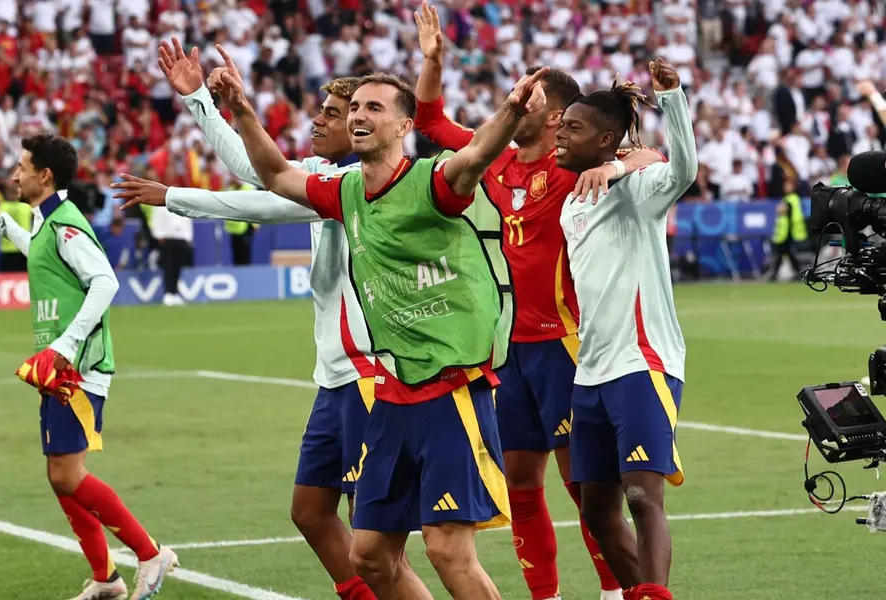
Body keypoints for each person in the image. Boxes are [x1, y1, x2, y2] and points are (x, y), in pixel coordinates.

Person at [212, 38, 547, 596]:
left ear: (403, 125)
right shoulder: (344, 190)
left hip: (450, 389)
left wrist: (511, 110)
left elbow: (475, 157)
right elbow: (274, 175)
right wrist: (240, 109)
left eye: (375, 108)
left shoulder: (434, 182)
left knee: (446, 548)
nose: (361, 116)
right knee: (369, 555)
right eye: (357, 107)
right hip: (390, 394)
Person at [112, 38, 381, 600]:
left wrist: (174, 196)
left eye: (333, 115)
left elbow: (259, 204)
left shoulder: (358, 184)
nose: (317, 120)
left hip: (368, 375)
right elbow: (252, 169)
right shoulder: (317, 171)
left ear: (361, 128)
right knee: (310, 512)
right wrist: (200, 103)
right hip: (333, 376)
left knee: (373, 537)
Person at [410, 5, 663, 600]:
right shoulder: (492, 156)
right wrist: (432, 60)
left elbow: (652, 159)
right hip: (508, 348)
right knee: (521, 484)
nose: (514, 100)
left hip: (566, 346)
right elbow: (428, 120)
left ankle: (614, 593)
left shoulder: (576, 163)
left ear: (554, 116)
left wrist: (627, 160)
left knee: (586, 486)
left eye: (528, 95)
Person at [0, 134, 178, 600]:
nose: (14, 175)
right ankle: (106, 578)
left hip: (78, 368)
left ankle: (149, 553)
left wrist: (67, 345)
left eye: (23, 166)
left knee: (67, 474)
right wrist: (2, 223)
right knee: (60, 474)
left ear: (44, 175)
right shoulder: (50, 226)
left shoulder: (67, 224)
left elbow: (104, 281)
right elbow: (46, 257)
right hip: (59, 368)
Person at [554, 58, 697, 600]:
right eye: (561, 125)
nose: (561, 136)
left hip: (643, 362)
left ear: (607, 139)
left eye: (574, 128)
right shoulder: (572, 203)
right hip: (591, 374)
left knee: (642, 498)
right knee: (595, 511)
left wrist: (674, 100)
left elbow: (679, 170)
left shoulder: (638, 194)